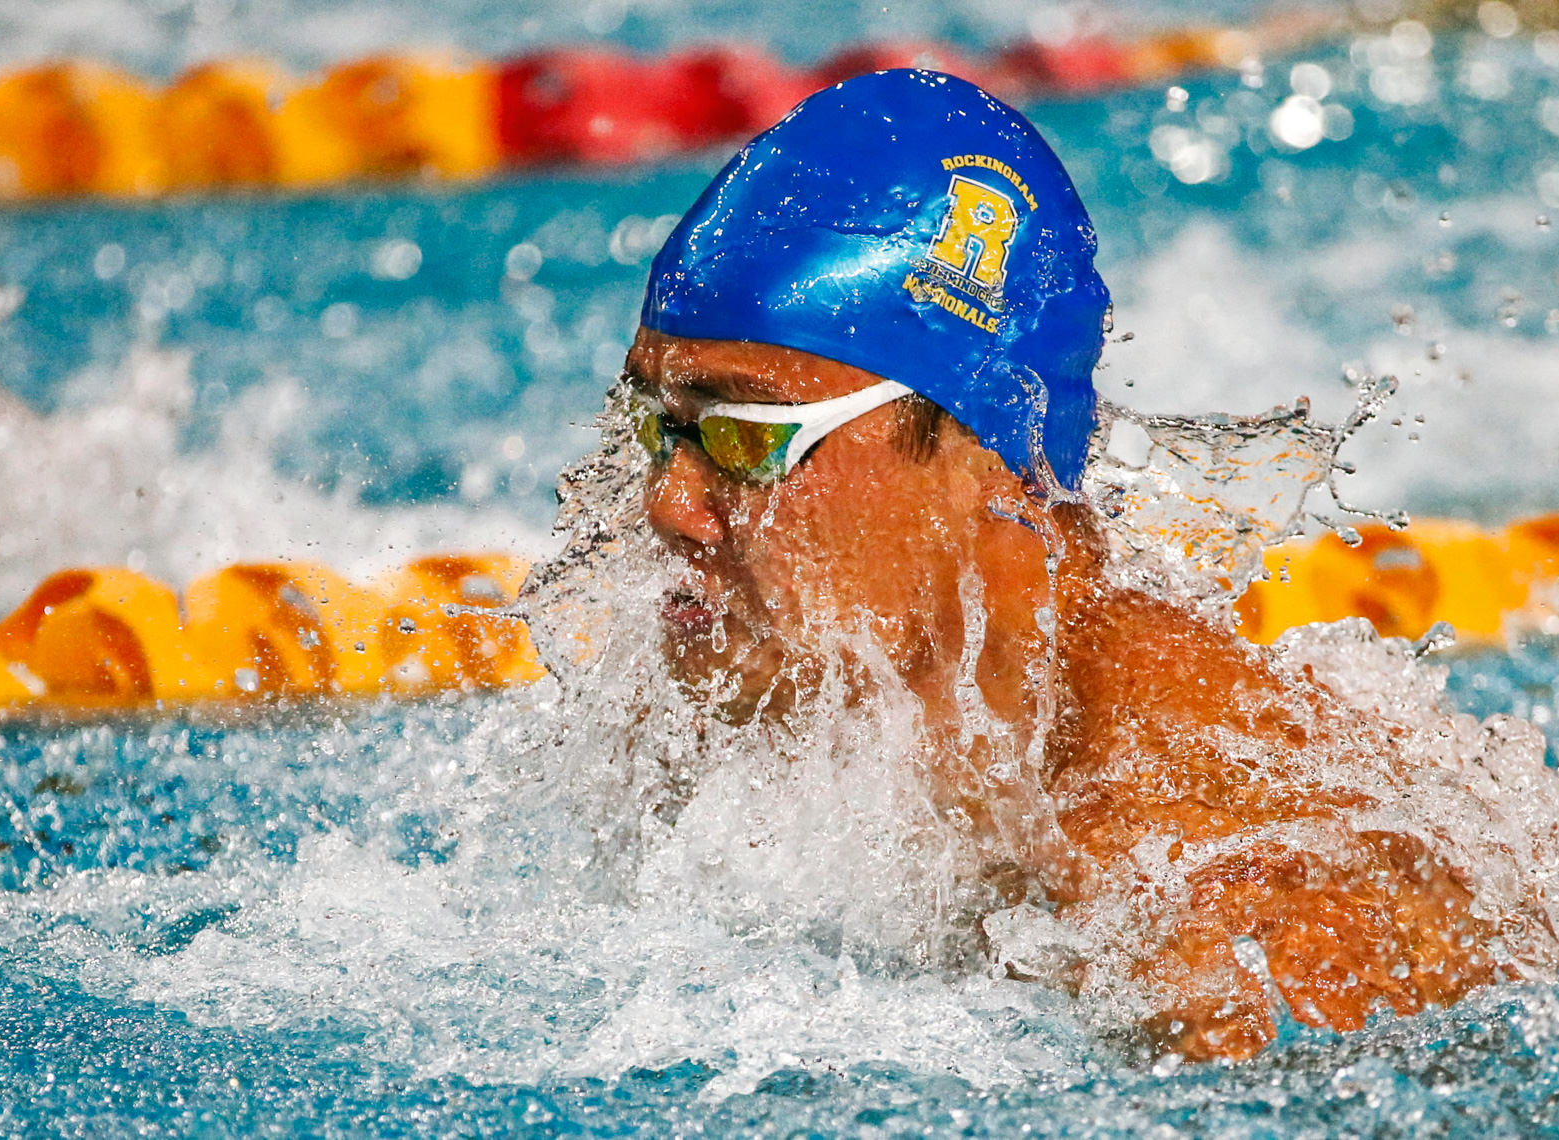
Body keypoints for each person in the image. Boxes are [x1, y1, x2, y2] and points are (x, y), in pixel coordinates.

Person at [618, 69, 1501, 1061]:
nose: (670, 506)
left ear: (980, 461)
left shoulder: (1183, 843)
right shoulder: (826, 695)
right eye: (660, 429)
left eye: (744, 438)